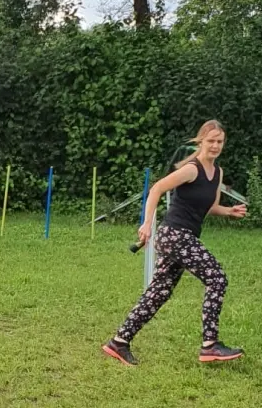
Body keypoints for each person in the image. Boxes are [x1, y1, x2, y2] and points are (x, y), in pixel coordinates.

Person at [102, 120, 246, 366]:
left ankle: (119, 342)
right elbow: (157, 189)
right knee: (217, 278)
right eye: (210, 141)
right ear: (200, 141)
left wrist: (228, 211)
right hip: (175, 235)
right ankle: (210, 345)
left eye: (219, 141)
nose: (215, 146)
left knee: (158, 292)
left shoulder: (217, 173)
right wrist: (147, 223)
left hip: (182, 237)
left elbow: (208, 206)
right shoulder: (192, 169)